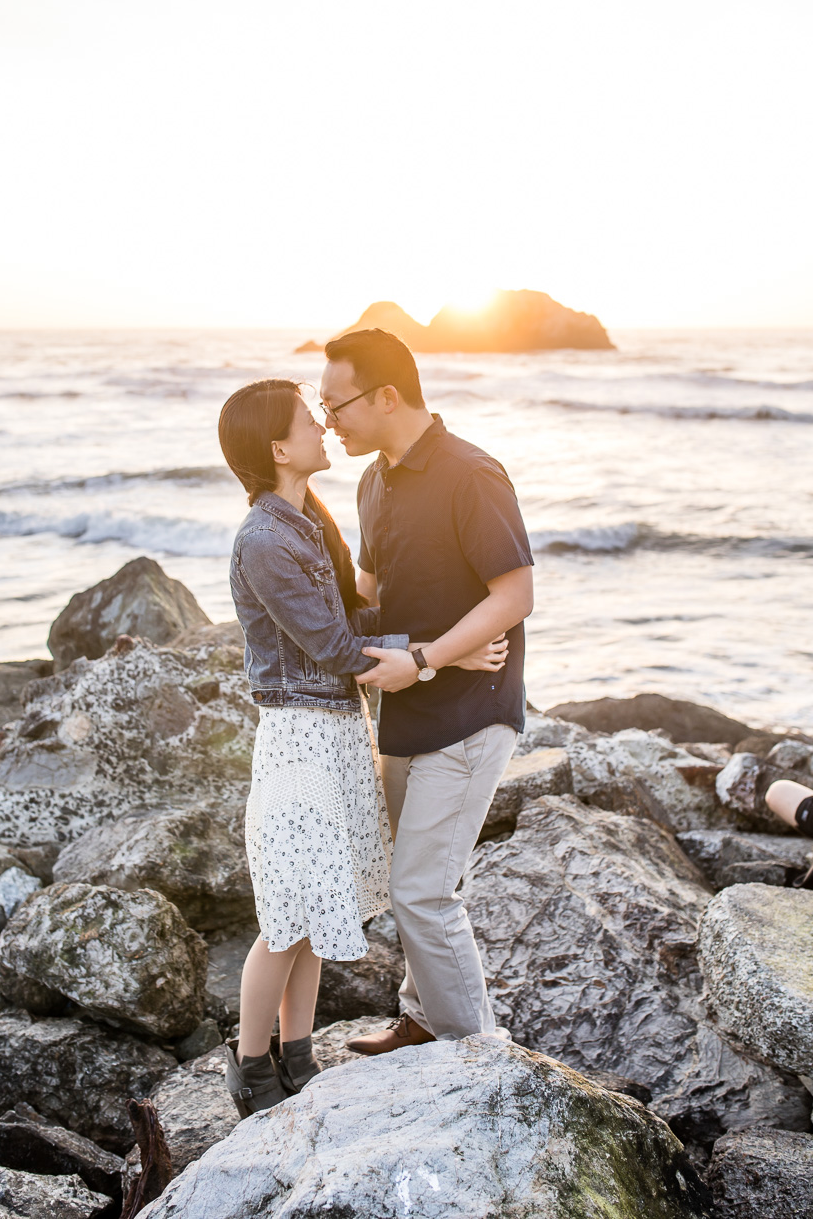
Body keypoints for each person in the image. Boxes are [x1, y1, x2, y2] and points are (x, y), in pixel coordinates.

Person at [217, 378, 507, 1116]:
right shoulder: (263, 538)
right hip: (300, 738)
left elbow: (351, 613)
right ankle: (250, 1069)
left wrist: (445, 635)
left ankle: (298, 1055)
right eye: (307, 419)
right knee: (285, 916)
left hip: (337, 730)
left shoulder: (307, 518)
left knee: (316, 906)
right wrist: (439, 653)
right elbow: (336, 644)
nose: (322, 424)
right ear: (278, 449)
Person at [318, 328, 534, 1054]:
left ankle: (480, 1064)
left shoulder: (471, 474)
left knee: (421, 890)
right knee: (416, 882)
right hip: (406, 713)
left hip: (472, 718)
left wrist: (436, 656)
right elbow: (373, 600)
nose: (328, 422)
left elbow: (516, 592)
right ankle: (419, 1018)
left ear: (386, 396)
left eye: (335, 404)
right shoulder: (371, 481)